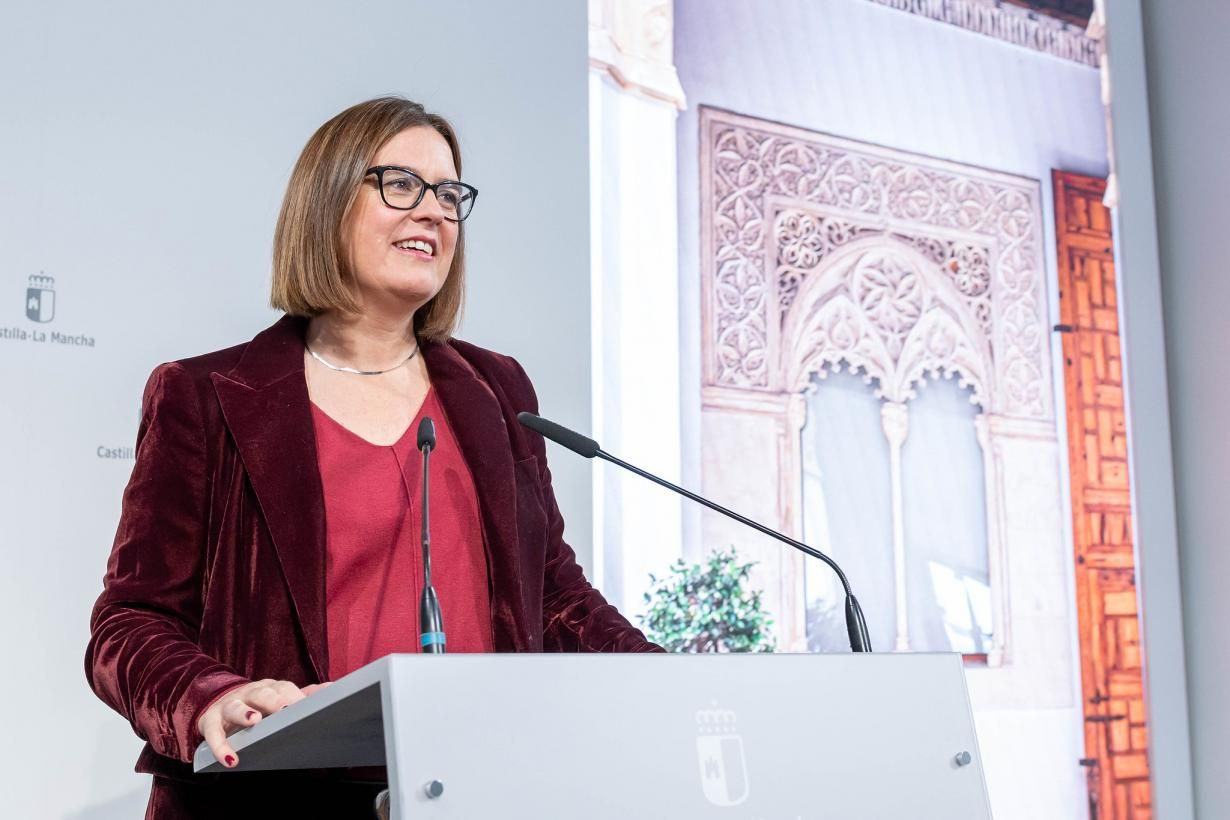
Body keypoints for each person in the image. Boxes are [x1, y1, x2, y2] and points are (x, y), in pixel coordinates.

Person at [86, 96, 659, 819]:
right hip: (271, 802)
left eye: (448, 194)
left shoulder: (497, 390)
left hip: (476, 791)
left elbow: (554, 598)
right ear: (327, 202)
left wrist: (671, 688)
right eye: (402, 185)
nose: (433, 212)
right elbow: (130, 622)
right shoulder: (205, 397)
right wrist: (211, 697)